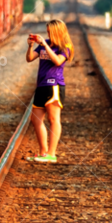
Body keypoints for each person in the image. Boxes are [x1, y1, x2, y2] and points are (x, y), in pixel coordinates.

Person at [24, 18, 74, 163]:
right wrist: (31, 46)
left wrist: (45, 45)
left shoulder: (65, 47)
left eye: (50, 32)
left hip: (54, 86)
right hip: (41, 86)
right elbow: (29, 58)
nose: (48, 34)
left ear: (57, 32)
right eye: (47, 32)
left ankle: (51, 154)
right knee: (36, 119)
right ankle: (43, 152)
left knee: (53, 119)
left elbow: (58, 61)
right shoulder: (45, 44)